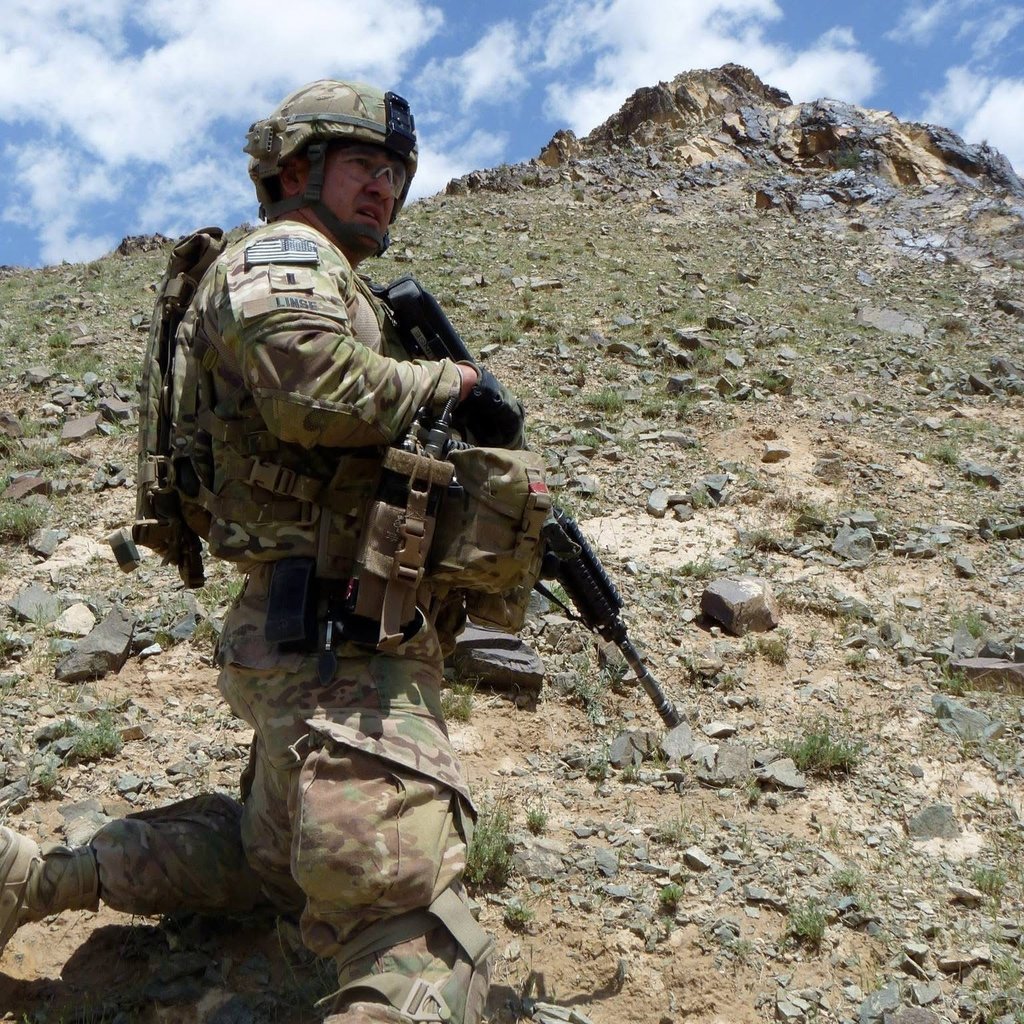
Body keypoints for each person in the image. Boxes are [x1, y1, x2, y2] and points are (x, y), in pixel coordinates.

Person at [0, 80, 527, 1024]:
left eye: (396, 174)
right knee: (413, 940)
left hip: (313, 631)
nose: (385, 187)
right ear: (294, 171)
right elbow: (311, 391)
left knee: (271, 860)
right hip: (340, 647)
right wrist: (446, 382)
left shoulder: (323, 274)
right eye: (363, 165)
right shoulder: (287, 255)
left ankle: (36, 880)